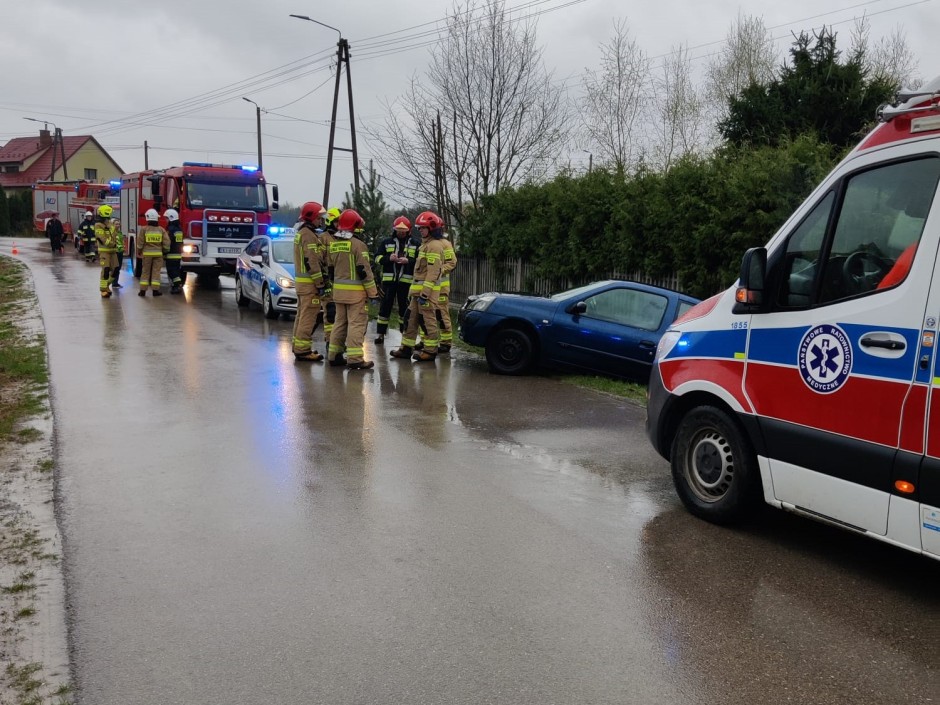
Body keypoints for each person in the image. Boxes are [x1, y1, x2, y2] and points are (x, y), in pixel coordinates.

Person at [326, 209, 379, 370]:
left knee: (339, 323)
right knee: (356, 324)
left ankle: (334, 355)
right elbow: (365, 272)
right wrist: (373, 294)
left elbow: (330, 269)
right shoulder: (358, 245)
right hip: (355, 294)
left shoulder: (334, 244)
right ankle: (355, 358)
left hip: (338, 292)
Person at [391, 211, 446, 362]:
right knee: (410, 319)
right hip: (418, 293)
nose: (419, 230)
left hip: (426, 294)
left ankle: (430, 351)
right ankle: (406, 348)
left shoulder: (434, 246)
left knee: (426, 321)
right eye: (419, 227)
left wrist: (425, 294)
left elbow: (433, 273)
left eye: (422, 227)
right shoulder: (425, 245)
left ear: (432, 228)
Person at [373, 216, 419, 345]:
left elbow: (420, 262)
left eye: (403, 230)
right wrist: (388, 258)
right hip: (389, 282)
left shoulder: (415, 244)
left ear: (408, 230)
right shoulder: (386, 242)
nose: (401, 232)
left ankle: (404, 334)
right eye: (399, 230)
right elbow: (377, 258)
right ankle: (380, 334)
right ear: (395, 230)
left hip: (406, 282)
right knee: (384, 308)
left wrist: (408, 261)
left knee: (404, 309)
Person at [291, 201, 327, 361]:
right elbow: (311, 262)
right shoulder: (308, 235)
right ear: (312, 217)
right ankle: (303, 349)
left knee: (301, 315)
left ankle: (298, 346)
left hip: (302, 284)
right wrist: (320, 283)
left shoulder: (302, 233)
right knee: (308, 316)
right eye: (319, 217)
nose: (321, 220)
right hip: (310, 284)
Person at [319, 207, 343, 343]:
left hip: (341, 280)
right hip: (328, 279)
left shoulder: (343, 238)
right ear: (330, 222)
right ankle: (330, 341)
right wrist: (324, 280)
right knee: (330, 312)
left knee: (341, 314)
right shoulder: (323, 238)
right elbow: (319, 260)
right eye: (336, 222)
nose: (339, 225)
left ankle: (338, 341)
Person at [136, 209, 170, 297]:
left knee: (145, 272)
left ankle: (142, 291)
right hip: (158, 255)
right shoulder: (161, 230)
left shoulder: (144, 229)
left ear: (147, 218)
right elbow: (166, 243)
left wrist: (139, 251)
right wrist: (165, 251)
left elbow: (140, 243)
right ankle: (155, 291)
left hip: (147, 255)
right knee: (156, 272)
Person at [95, 205, 118, 298]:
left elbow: (114, 234)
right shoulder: (98, 225)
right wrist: (112, 244)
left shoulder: (110, 223)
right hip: (104, 251)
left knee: (116, 270)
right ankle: (103, 289)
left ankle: (106, 285)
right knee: (106, 270)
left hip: (113, 251)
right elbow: (102, 238)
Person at [164, 209, 185, 294]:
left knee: (172, 272)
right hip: (178, 254)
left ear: (171, 218)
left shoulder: (170, 229)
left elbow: (167, 241)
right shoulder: (179, 229)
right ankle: (176, 285)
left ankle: (177, 285)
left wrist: (164, 251)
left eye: (166, 218)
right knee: (176, 270)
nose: (166, 220)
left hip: (171, 254)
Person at [110, 218, 125, 289]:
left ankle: (116, 282)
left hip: (120, 252)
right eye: (116, 224)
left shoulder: (120, 233)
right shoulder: (111, 232)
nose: (118, 225)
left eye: (119, 224)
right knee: (115, 268)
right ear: (113, 225)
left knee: (118, 268)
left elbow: (121, 242)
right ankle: (114, 283)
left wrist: (123, 249)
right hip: (114, 252)